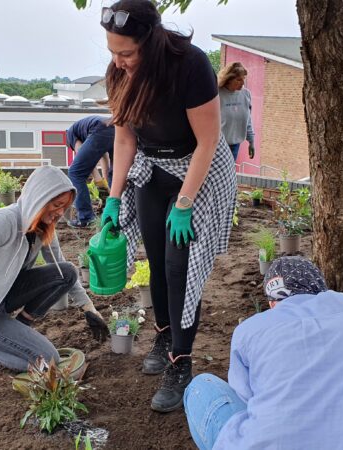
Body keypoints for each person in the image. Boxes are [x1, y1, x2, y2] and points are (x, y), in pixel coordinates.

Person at [99, 0, 237, 412]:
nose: (119, 62)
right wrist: (113, 196)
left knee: (180, 267)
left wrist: (184, 203)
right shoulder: (118, 74)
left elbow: (209, 142)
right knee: (156, 261)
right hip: (153, 168)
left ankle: (181, 360)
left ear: (151, 41)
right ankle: (162, 332)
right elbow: (125, 141)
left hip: (198, 169)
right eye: (112, 52)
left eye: (126, 53)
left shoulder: (190, 66)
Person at [183, 256, 343, 449]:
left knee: (199, 387)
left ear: (272, 303)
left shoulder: (248, 329)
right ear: (320, 289)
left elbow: (245, 396)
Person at [0, 165, 110, 373]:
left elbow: (62, 269)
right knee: (48, 360)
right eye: (57, 205)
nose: (60, 213)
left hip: (4, 295)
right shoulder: (3, 222)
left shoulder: (43, 227)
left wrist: (89, 308)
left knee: (67, 272)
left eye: (64, 207)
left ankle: (15, 331)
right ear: (40, 198)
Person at [66, 115, 116, 228]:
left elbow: (83, 161)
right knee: (115, 174)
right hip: (116, 128)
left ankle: (86, 217)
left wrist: (98, 178)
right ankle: (119, 213)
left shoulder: (70, 135)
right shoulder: (86, 130)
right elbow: (104, 158)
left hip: (99, 128)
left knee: (75, 173)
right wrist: (105, 181)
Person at [217, 62, 255, 162]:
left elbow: (248, 120)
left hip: (235, 146)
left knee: (229, 175)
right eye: (238, 79)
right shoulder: (217, 94)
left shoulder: (246, 94)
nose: (242, 83)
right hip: (217, 147)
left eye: (244, 79)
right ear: (228, 79)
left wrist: (251, 141)